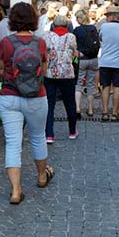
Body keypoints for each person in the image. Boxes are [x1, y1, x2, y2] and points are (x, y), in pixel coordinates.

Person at [0, 2, 54, 205]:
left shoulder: (6, 42)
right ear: (33, 19)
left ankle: (15, 190)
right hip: (36, 97)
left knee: (13, 143)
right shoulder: (39, 42)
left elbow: (1, 70)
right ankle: (41, 176)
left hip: (10, 97)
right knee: (38, 137)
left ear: (12, 20)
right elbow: (44, 70)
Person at [43, 15, 79, 143]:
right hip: (67, 74)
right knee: (70, 103)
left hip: (50, 73)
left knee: (49, 104)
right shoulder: (71, 37)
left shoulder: (47, 36)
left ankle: (49, 134)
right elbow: (75, 52)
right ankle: (72, 131)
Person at [98, 6, 119, 122]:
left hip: (105, 62)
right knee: (117, 87)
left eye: (107, 16)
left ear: (111, 16)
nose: (106, 18)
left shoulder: (104, 27)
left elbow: (100, 39)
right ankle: (115, 113)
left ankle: (105, 112)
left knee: (105, 86)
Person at [73, 10, 99, 117]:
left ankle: (78, 108)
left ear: (80, 18)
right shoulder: (93, 28)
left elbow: (73, 45)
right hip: (93, 59)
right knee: (90, 84)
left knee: (78, 84)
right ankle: (90, 109)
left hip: (81, 59)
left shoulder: (77, 30)